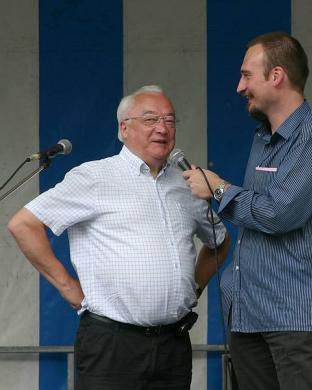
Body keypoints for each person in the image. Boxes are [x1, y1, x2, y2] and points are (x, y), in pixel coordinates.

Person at [8, 85, 230, 390]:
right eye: (150, 120)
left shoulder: (186, 183)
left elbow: (220, 240)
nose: (162, 129)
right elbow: (24, 224)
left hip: (172, 343)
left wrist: (194, 286)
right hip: (111, 343)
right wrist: (67, 286)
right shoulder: (95, 177)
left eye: (169, 120)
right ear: (124, 129)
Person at [182, 32, 312, 390]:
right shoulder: (263, 137)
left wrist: (218, 188)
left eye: (246, 75)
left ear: (276, 76)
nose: (240, 87)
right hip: (248, 314)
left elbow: (279, 214)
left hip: (295, 318)